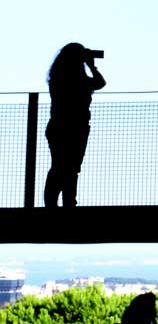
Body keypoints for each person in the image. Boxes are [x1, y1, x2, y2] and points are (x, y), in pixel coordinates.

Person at [42, 43, 106, 207]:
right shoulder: (78, 80)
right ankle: (67, 202)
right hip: (74, 128)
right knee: (68, 167)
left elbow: (99, 83)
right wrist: (91, 66)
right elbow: (100, 83)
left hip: (62, 127)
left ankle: (56, 203)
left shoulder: (57, 78)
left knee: (62, 166)